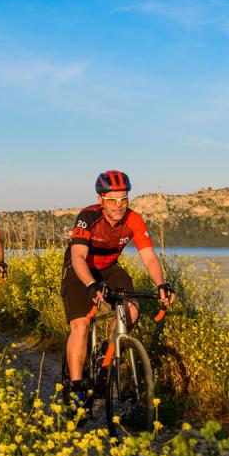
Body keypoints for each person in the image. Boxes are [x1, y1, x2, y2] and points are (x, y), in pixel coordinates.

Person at [60, 170, 174, 408]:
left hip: (110, 268)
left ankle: (108, 347)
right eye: (113, 200)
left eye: (124, 199)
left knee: (131, 309)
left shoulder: (133, 220)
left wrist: (161, 285)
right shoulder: (88, 217)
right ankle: (76, 387)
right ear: (101, 199)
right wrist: (91, 285)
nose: (119, 205)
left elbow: (149, 258)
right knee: (80, 325)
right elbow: (78, 256)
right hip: (80, 268)